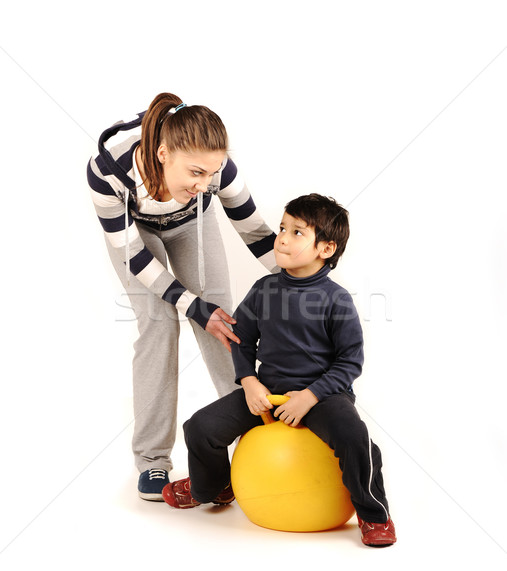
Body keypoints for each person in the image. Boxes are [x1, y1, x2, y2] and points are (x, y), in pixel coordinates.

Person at [162, 193, 397, 547]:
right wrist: (250, 382)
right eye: (282, 228)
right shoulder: (264, 289)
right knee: (200, 428)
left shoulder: (336, 299)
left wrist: (310, 396)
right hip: (266, 391)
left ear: (327, 249)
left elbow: (350, 361)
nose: (282, 238)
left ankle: (374, 514)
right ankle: (211, 487)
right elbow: (242, 338)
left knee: (355, 438)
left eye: (297, 232)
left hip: (322, 396)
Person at [87, 93, 278, 500]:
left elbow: (257, 233)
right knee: (159, 324)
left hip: (191, 221)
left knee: (221, 322)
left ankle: (252, 439)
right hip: (137, 235)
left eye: (211, 173)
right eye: (195, 172)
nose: (204, 182)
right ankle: (153, 461)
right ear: (161, 153)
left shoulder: (214, 169)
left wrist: (305, 280)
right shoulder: (107, 169)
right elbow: (135, 258)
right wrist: (192, 306)